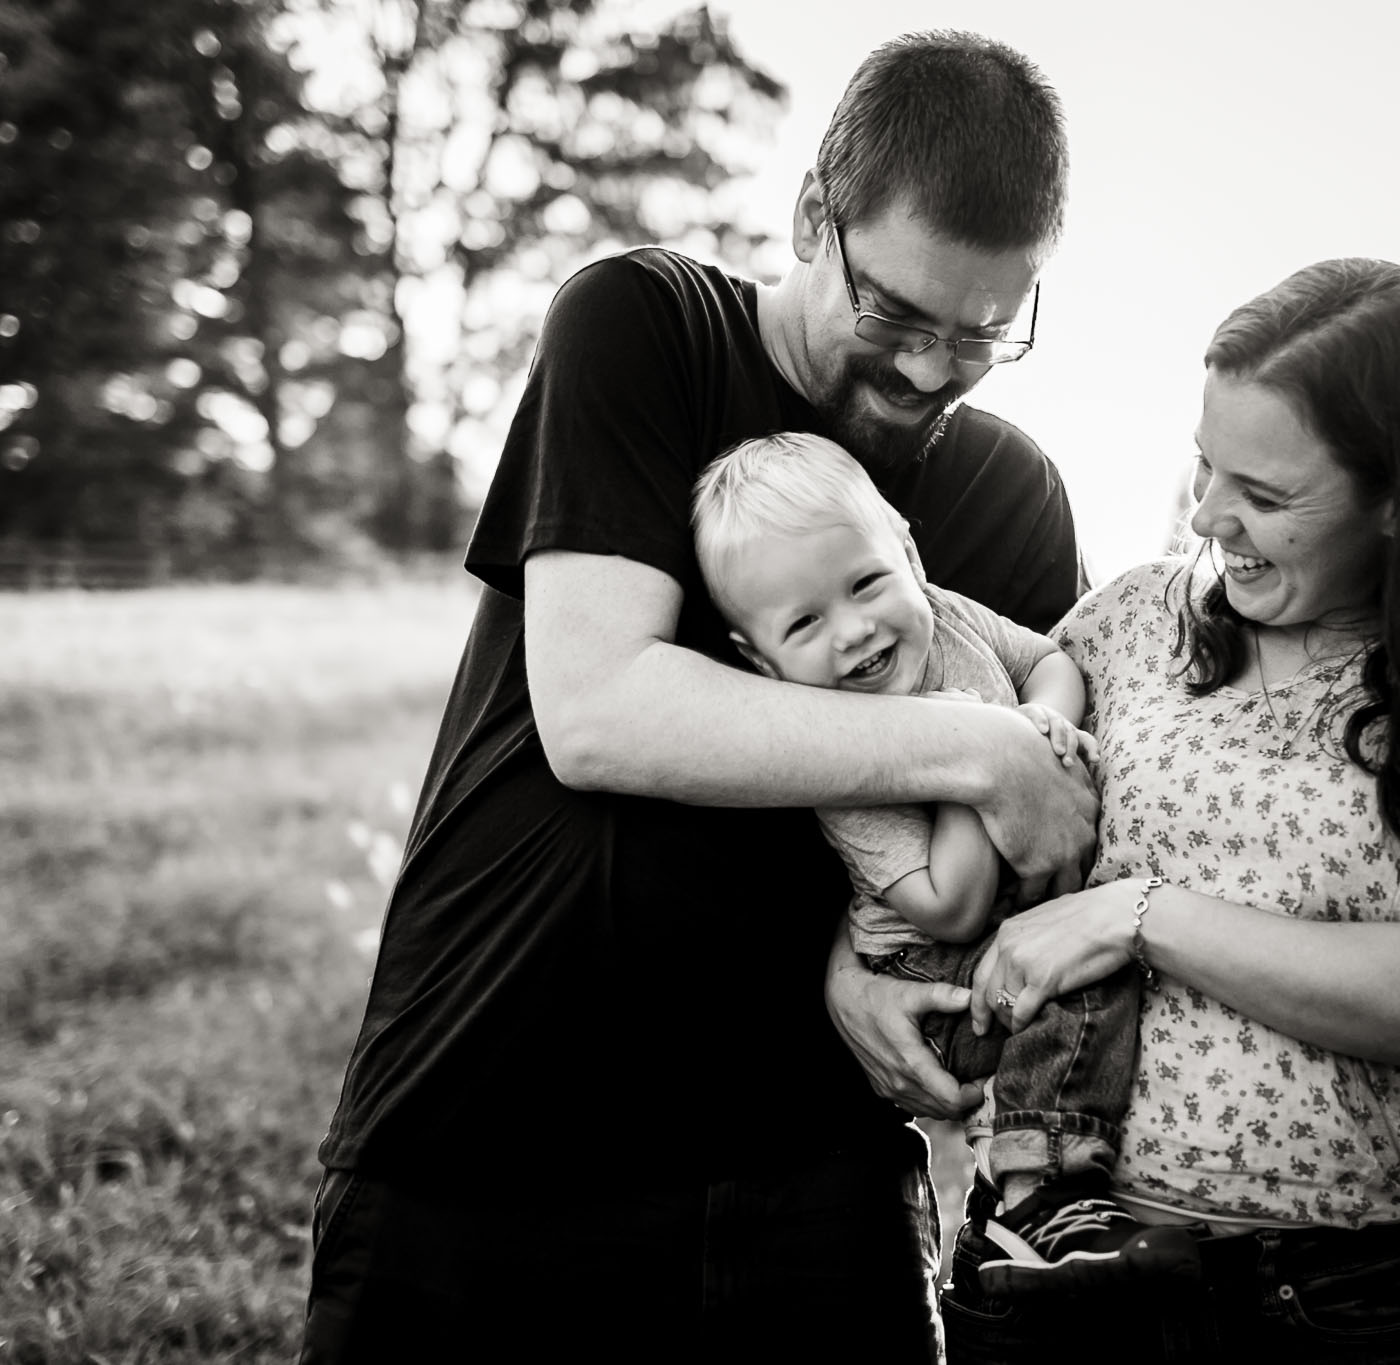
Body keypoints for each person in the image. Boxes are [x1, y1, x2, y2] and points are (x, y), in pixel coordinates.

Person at [301, 32, 1091, 1363]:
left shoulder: (1008, 495)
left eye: (980, 335)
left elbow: (1033, 830)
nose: (923, 371)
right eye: (893, 315)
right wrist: (973, 742)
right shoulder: (646, 325)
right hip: (487, 1130)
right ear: (808, 217)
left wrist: (862, 960)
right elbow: (602, 706)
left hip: (813, 1174)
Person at [938, 257, 1400, 1363]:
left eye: (1264, 496)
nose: (1211, 517)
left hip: (1320, 1299)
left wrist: (1138, 913)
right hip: (1048, 1272)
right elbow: (973, 749)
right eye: (1206, 466)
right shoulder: (1131, 623)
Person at [692, 432, 1201, 1292]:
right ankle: (1031, 1198)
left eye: (866, 583)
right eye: (805, 623)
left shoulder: (950, 615)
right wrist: (977, 756)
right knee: (1077, 985)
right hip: (929, 971)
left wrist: (1040, 716)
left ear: (907, 548)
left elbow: (1049, 661)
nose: (854, 631)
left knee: (1104, 961)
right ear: (759, 660)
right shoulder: (835, 757)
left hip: (999, 922)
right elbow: (951, 904)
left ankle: (1098, 1175)